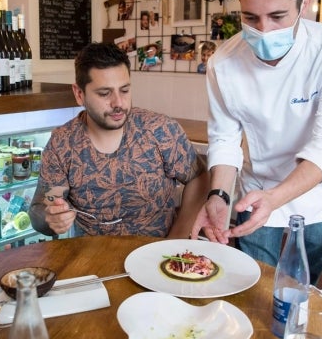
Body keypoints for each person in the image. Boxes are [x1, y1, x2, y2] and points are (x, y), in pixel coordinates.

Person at [191, 0, 322, 285]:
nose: (264, 31)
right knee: (256, 282)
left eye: (277, 16)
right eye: (250, 18)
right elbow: (224, 139)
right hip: (256, 187)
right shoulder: (223, 62)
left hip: (315, 189)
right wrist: (219, 196)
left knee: (304, 286)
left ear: (304, 4)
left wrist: (277, 198)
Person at [29, 42, 208, 238]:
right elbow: (44, 203)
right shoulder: (63, 144)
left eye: (124, 90)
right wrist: (49, 216)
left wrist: (176, 239)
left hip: (158, 257)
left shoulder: (160, 130)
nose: (119, 103)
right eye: (105, 93)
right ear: (79, 94)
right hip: (94, 260)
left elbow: (198, 177)